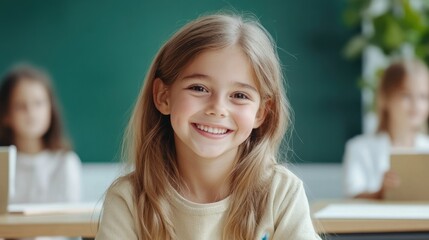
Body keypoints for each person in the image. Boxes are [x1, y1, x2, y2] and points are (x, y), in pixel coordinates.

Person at [96, 13, 320, 239]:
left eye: (239, 95)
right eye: (199, 88)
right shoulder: (128, 199)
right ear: (163, 96)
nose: (217, 108)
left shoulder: (281, 193)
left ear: (261, 113)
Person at [343, 59, 429, 199]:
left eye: (423, 97)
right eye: (406, 95)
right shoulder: (359, 148)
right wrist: (380, 193)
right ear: (385, 98)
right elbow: (353, 196)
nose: (416, 105)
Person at [0, 63, 81, 204]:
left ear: (51, 109)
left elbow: (70, 220)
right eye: (20, 106)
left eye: (38, 103)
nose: (31, 112)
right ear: (6, 114)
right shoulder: (3, 164)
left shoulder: (66, 162)